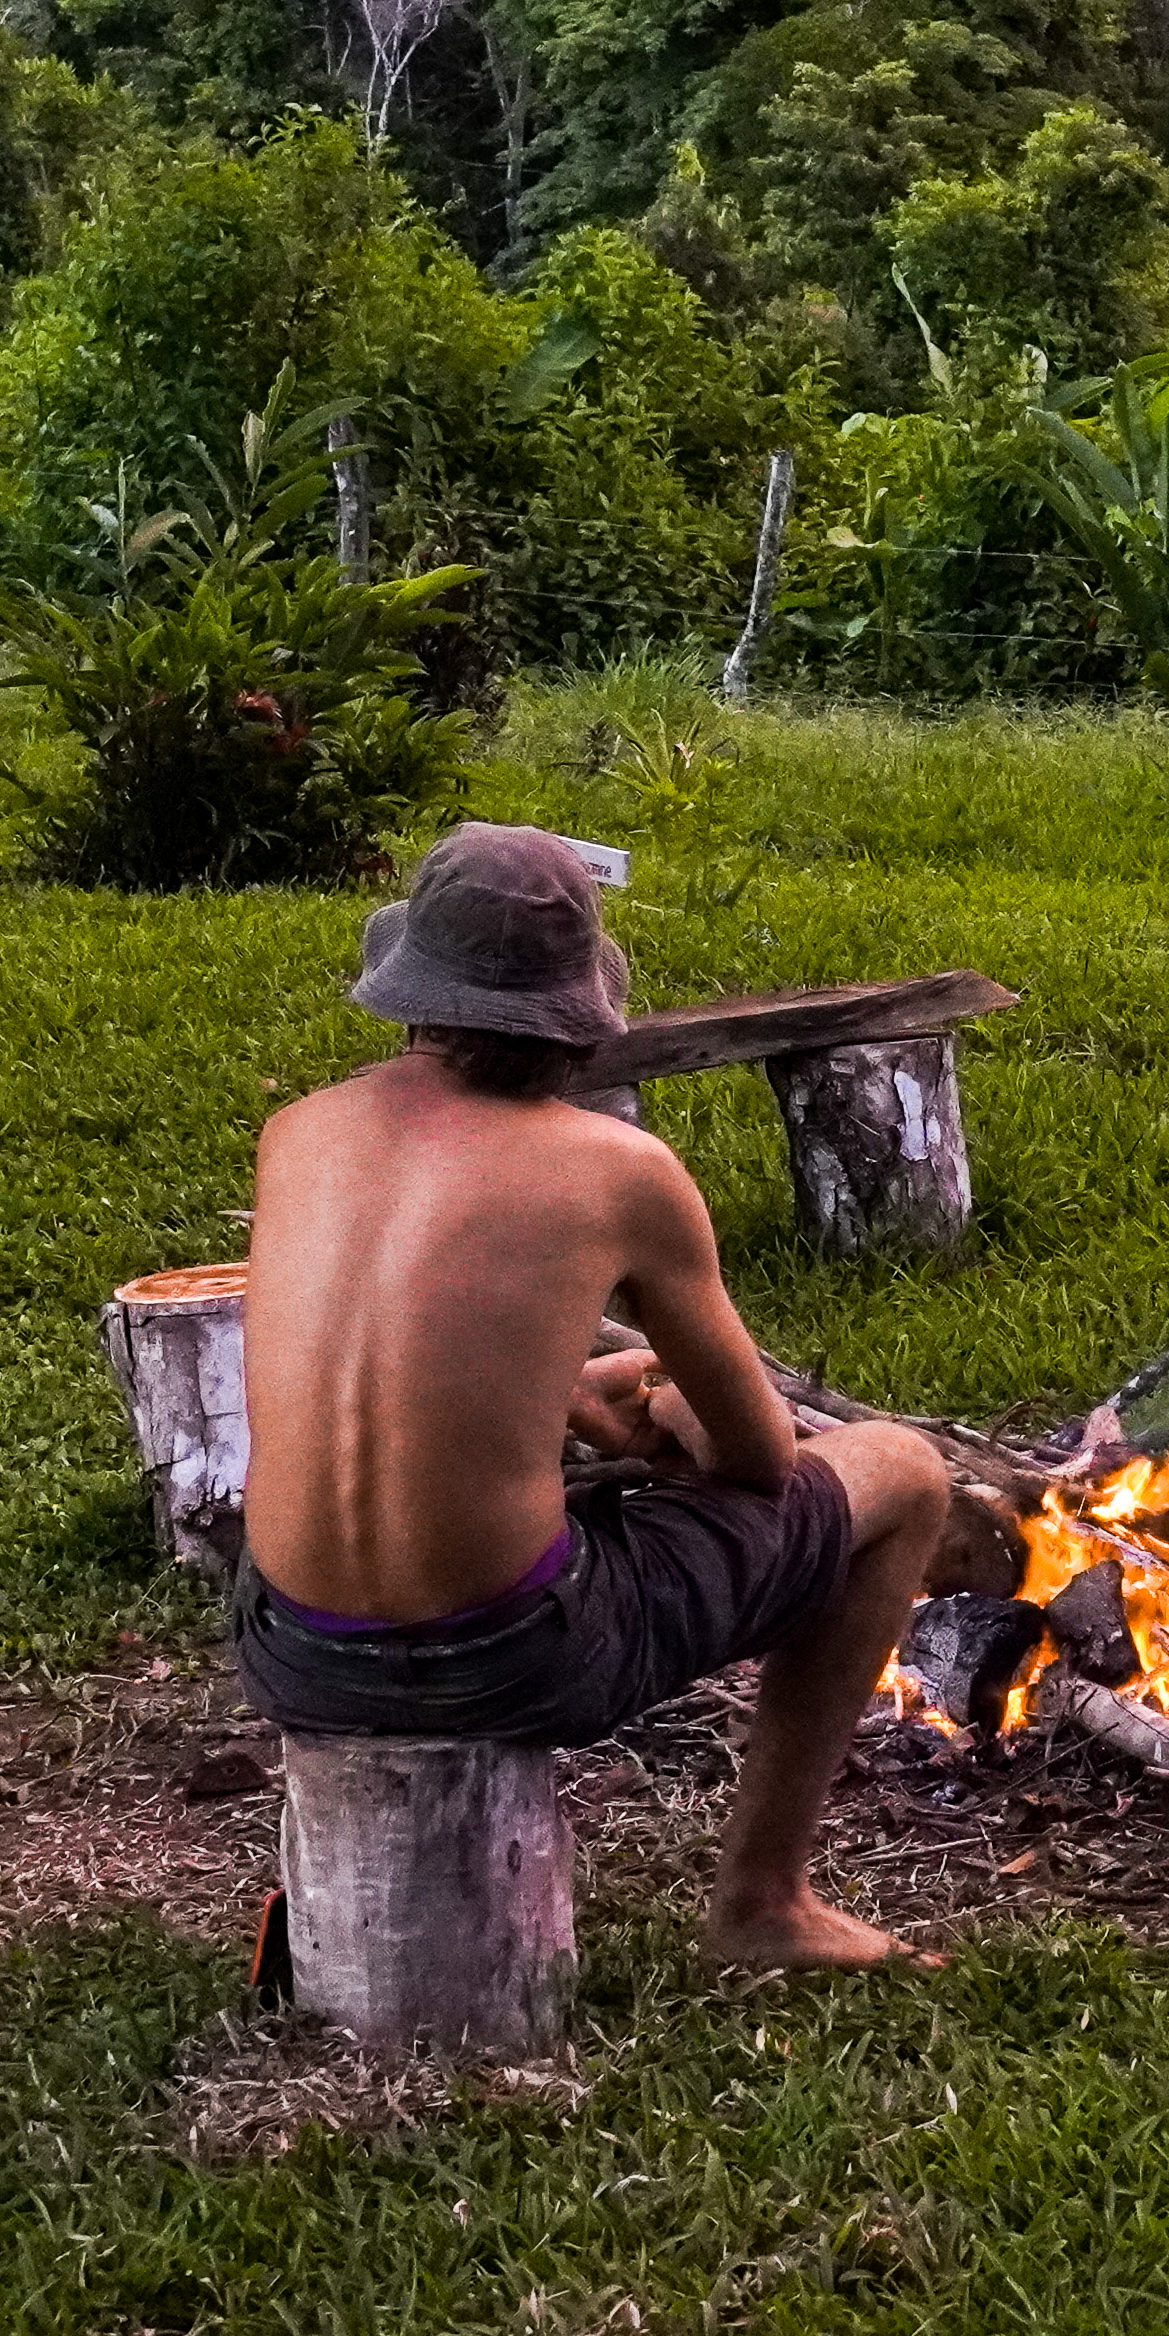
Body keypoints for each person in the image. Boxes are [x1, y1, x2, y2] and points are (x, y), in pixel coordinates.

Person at [233, 823, 951, 1972]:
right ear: (576, 1013)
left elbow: (383, 1349)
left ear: (412, 985)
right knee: (907, 1473)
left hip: (291, 1644)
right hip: (511, 1653)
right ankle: (765, 1900)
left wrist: (564, 1387)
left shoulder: (299, 1132)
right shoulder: (621, 1172)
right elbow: (761, 1456)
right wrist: (669, 1412)